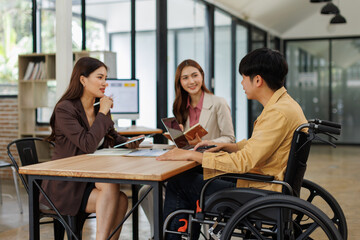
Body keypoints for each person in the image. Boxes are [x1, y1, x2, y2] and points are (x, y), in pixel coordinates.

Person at [157, 48, 308, 240]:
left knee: (179, 183)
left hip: (262, 189)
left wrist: (192, 154)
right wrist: (230, 146)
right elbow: (260, 146)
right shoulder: (285, 105)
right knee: (192, 173)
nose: (242, 83)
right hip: (266, 180)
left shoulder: (277, 113)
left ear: (258, 80)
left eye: (244, 78)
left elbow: (245, 161)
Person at [40, 57, 144, 239]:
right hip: (66, 184)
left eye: (105, 78)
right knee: (112, 189)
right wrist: (103, 112)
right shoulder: (65, 109)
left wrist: (129, 142)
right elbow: (87, 144)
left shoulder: (98, 107)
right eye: (100, 77)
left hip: (88, 179)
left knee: (120, 200)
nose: (105, 83)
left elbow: (112, 136)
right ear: (82, 80)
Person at [139, 59, 235, 239]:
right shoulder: (179, 106)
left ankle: (176, 232)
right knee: (147, 190)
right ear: (179, 83)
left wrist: (205, 142)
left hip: (209, 166)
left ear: (202, 76)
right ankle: (159, 231)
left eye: (194, 75)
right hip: (188, 163)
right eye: (185, 78)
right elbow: (182, 146)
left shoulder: (218, 103)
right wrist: (178, 139)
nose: (191, 81)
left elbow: (230, 139)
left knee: (171, 186)